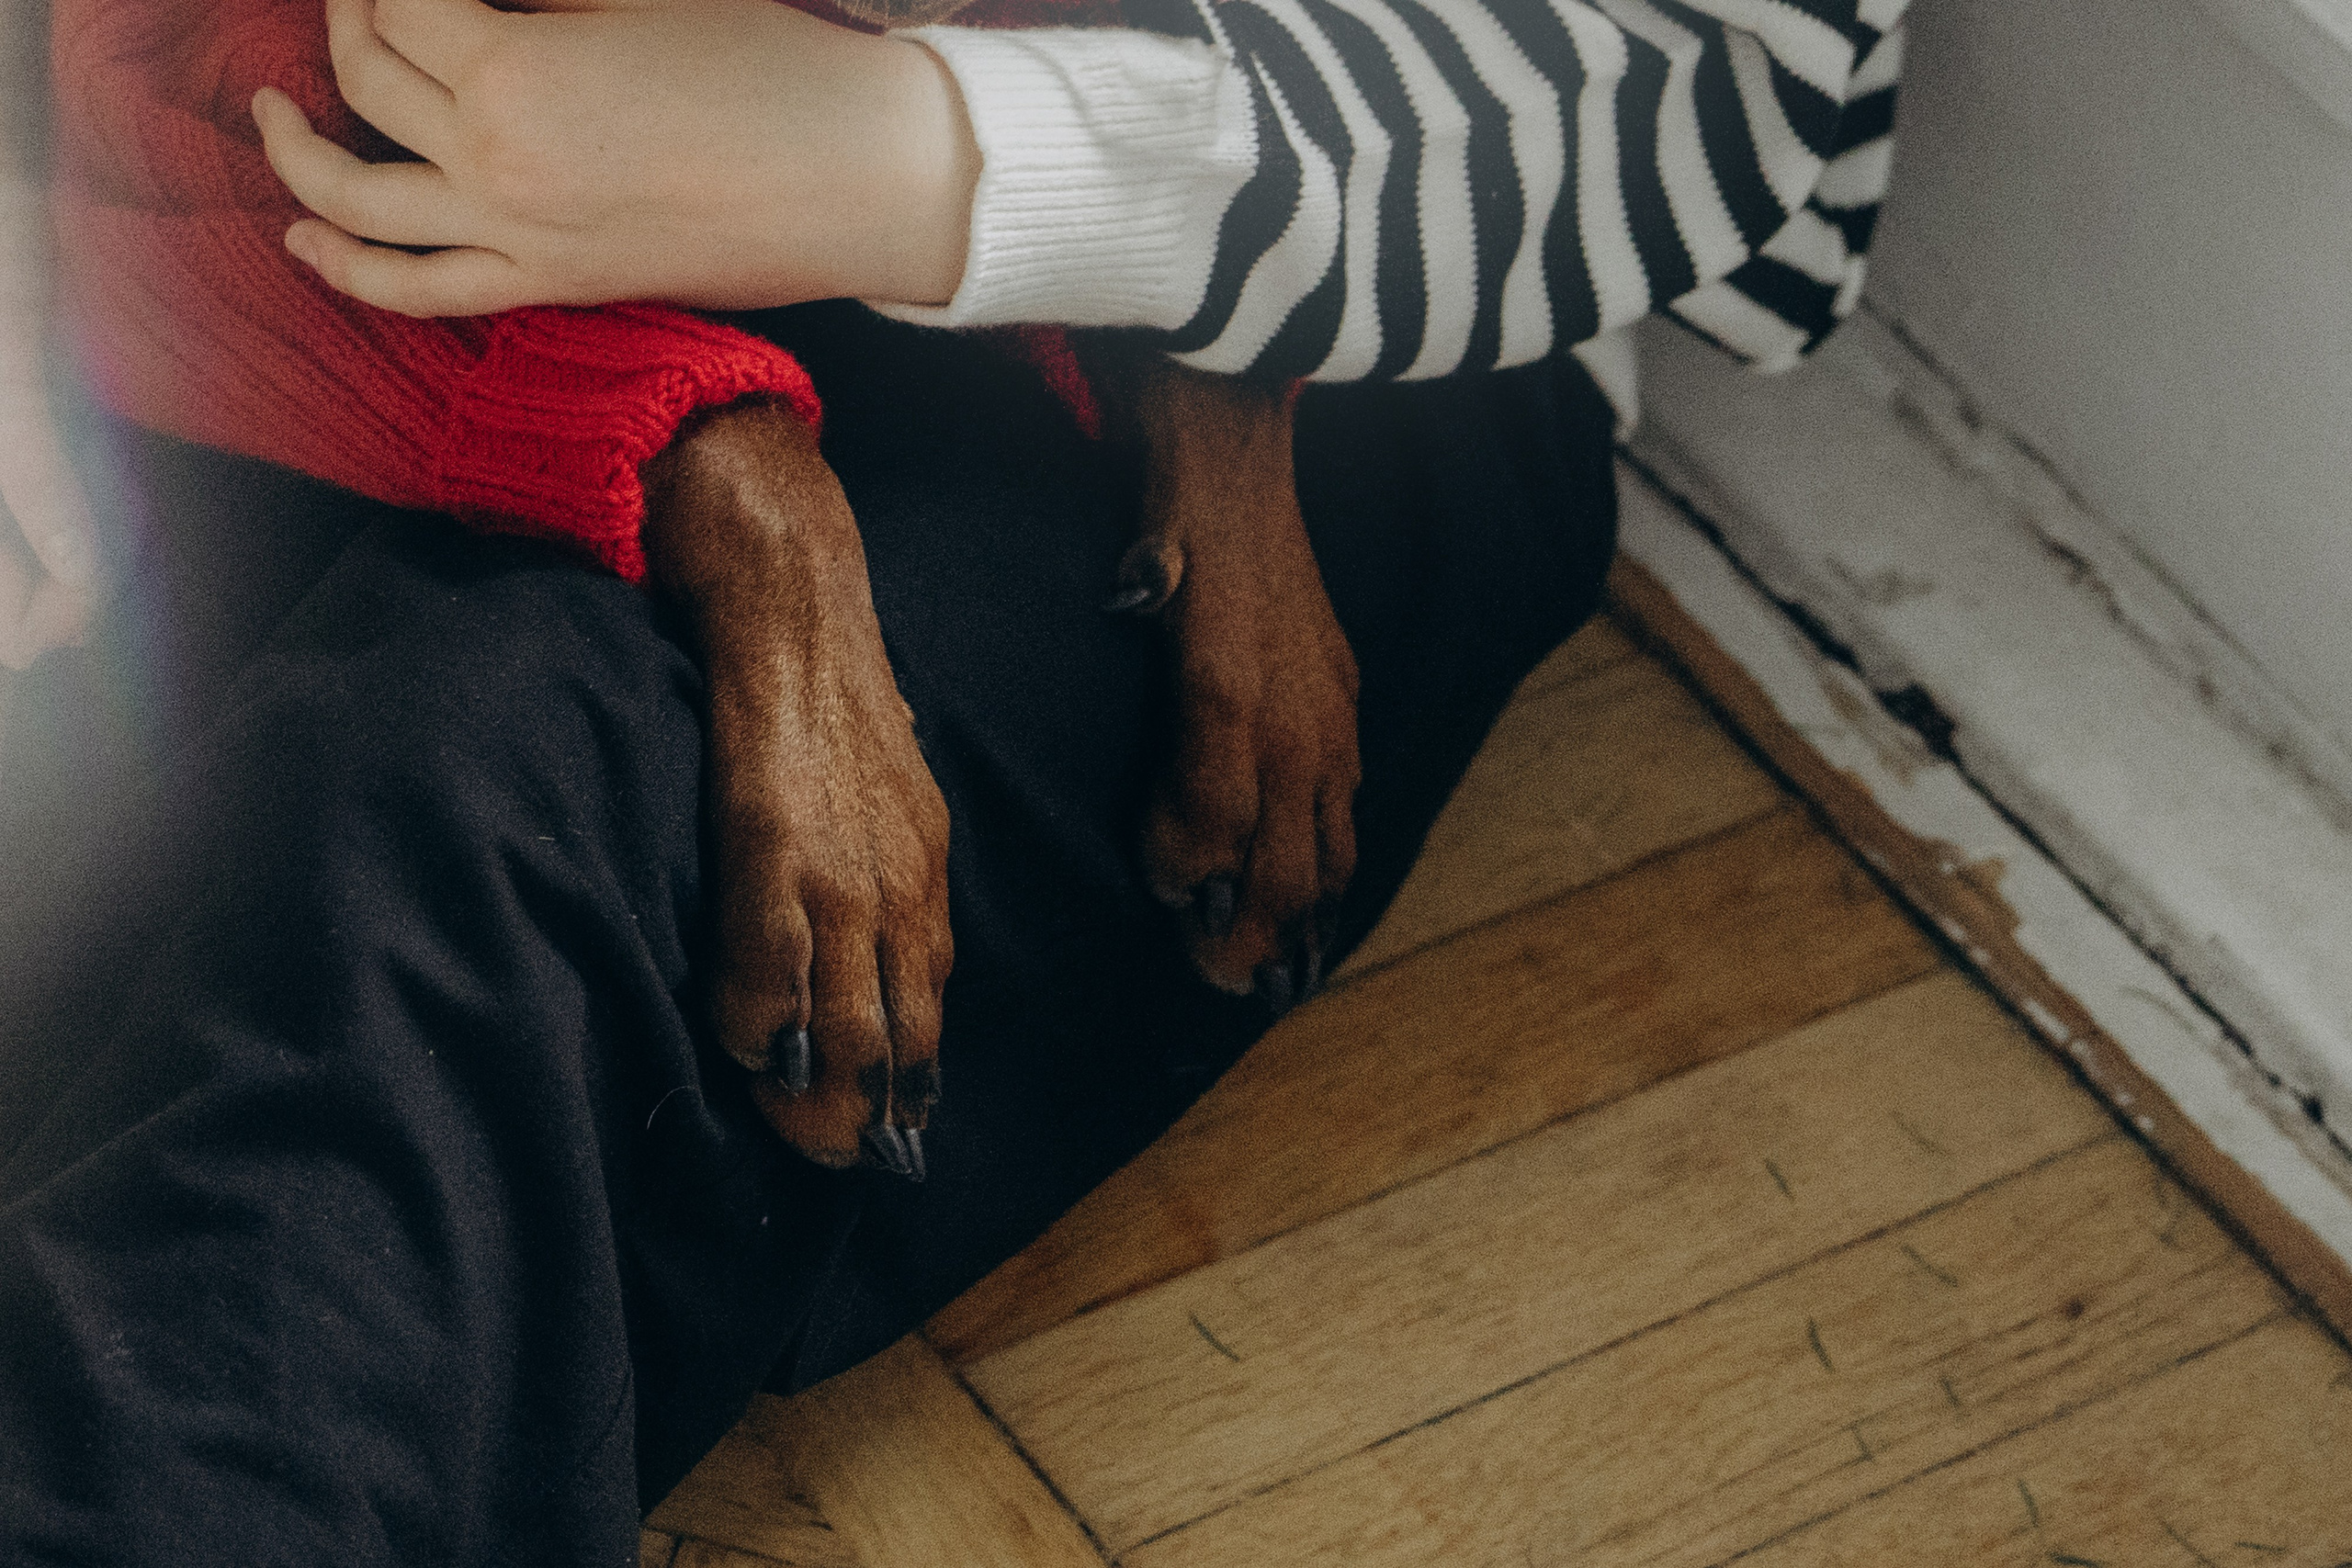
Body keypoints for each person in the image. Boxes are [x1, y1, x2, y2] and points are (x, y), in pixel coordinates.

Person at [0, 0, 1909, 1560]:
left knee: (489, 808)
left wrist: (881, 162)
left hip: (1359, 260)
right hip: (326, 145)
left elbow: (1738, 96)